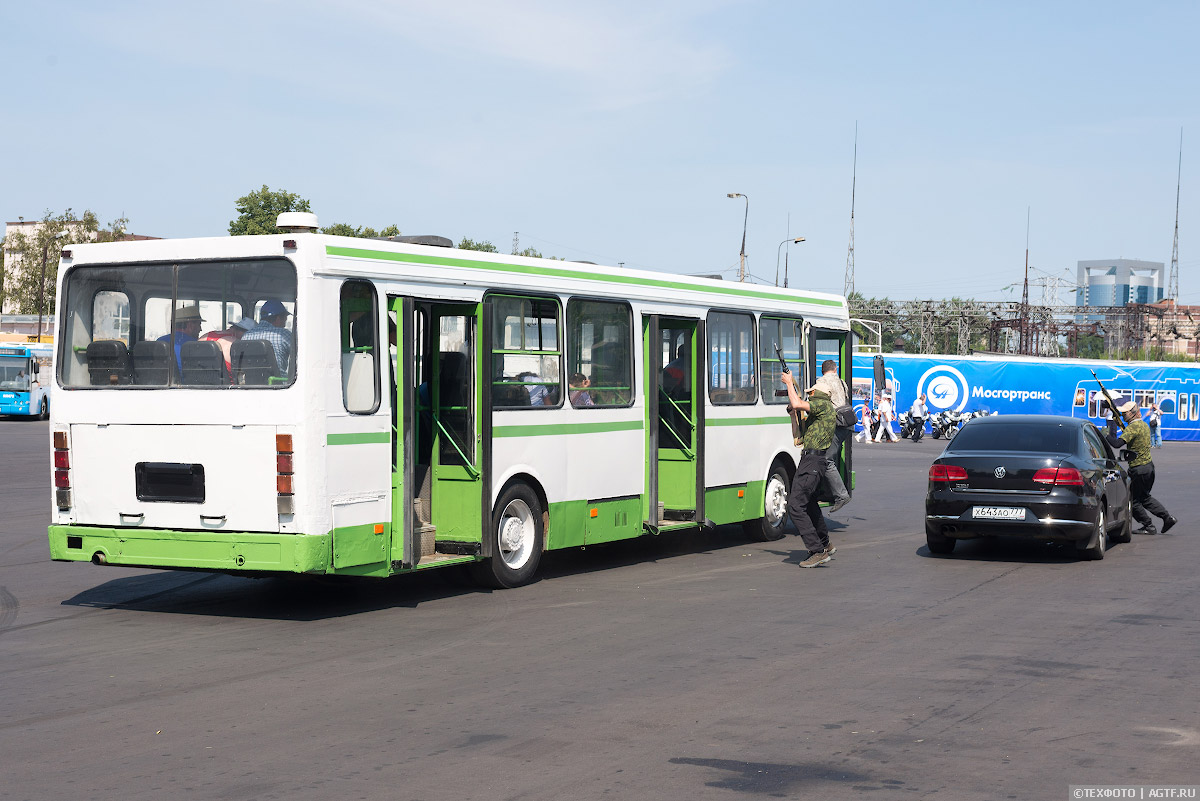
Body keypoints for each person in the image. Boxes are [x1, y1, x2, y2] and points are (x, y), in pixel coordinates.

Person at [781, 371, 838, 568]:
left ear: (819, 394)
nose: (809, 395)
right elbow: (798, 437)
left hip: (813, 462)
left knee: (795, 506)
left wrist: (789, 383)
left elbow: (797, 403)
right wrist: (793, 415)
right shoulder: (818, 415)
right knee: (810, 505)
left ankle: (816, 551)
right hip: (811, 460)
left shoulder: (823, 405)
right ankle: (825, 544)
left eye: (811, 393)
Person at [1104, 399, 1177, 535]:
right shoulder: (1143, 425)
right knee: (1145, 497)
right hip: (1148, 467)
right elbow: (1126, 430)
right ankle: (1167, 518)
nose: (1123, 415)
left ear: (1132, 414)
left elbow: (1117, 444)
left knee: (1133, 500)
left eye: (1125, 413)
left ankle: (1148, 525)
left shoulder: (1133, 428)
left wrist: (1105, 434)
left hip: (1138, 469)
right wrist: (1112, 410)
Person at [812, 359, 851, 513]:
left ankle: (841, 495)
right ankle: (827, 491)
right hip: (846, 425)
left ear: (823, 371)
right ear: (835, 369)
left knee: (826, 460)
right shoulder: (842, 382)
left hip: (833, 425)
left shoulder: (820, 382)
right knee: (831, 457)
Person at [240, 300, 293, 373]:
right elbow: (299, 355)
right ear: (278, 319)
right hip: (279, 382)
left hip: (251, 383)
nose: (284, 325)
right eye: (284, 320)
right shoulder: (283, 334)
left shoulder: (245, 336)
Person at [157, 305, 204, 371]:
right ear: (190, 325)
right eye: (199, 324)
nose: (200, 329)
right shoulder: (197, 345)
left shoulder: (160, 341)